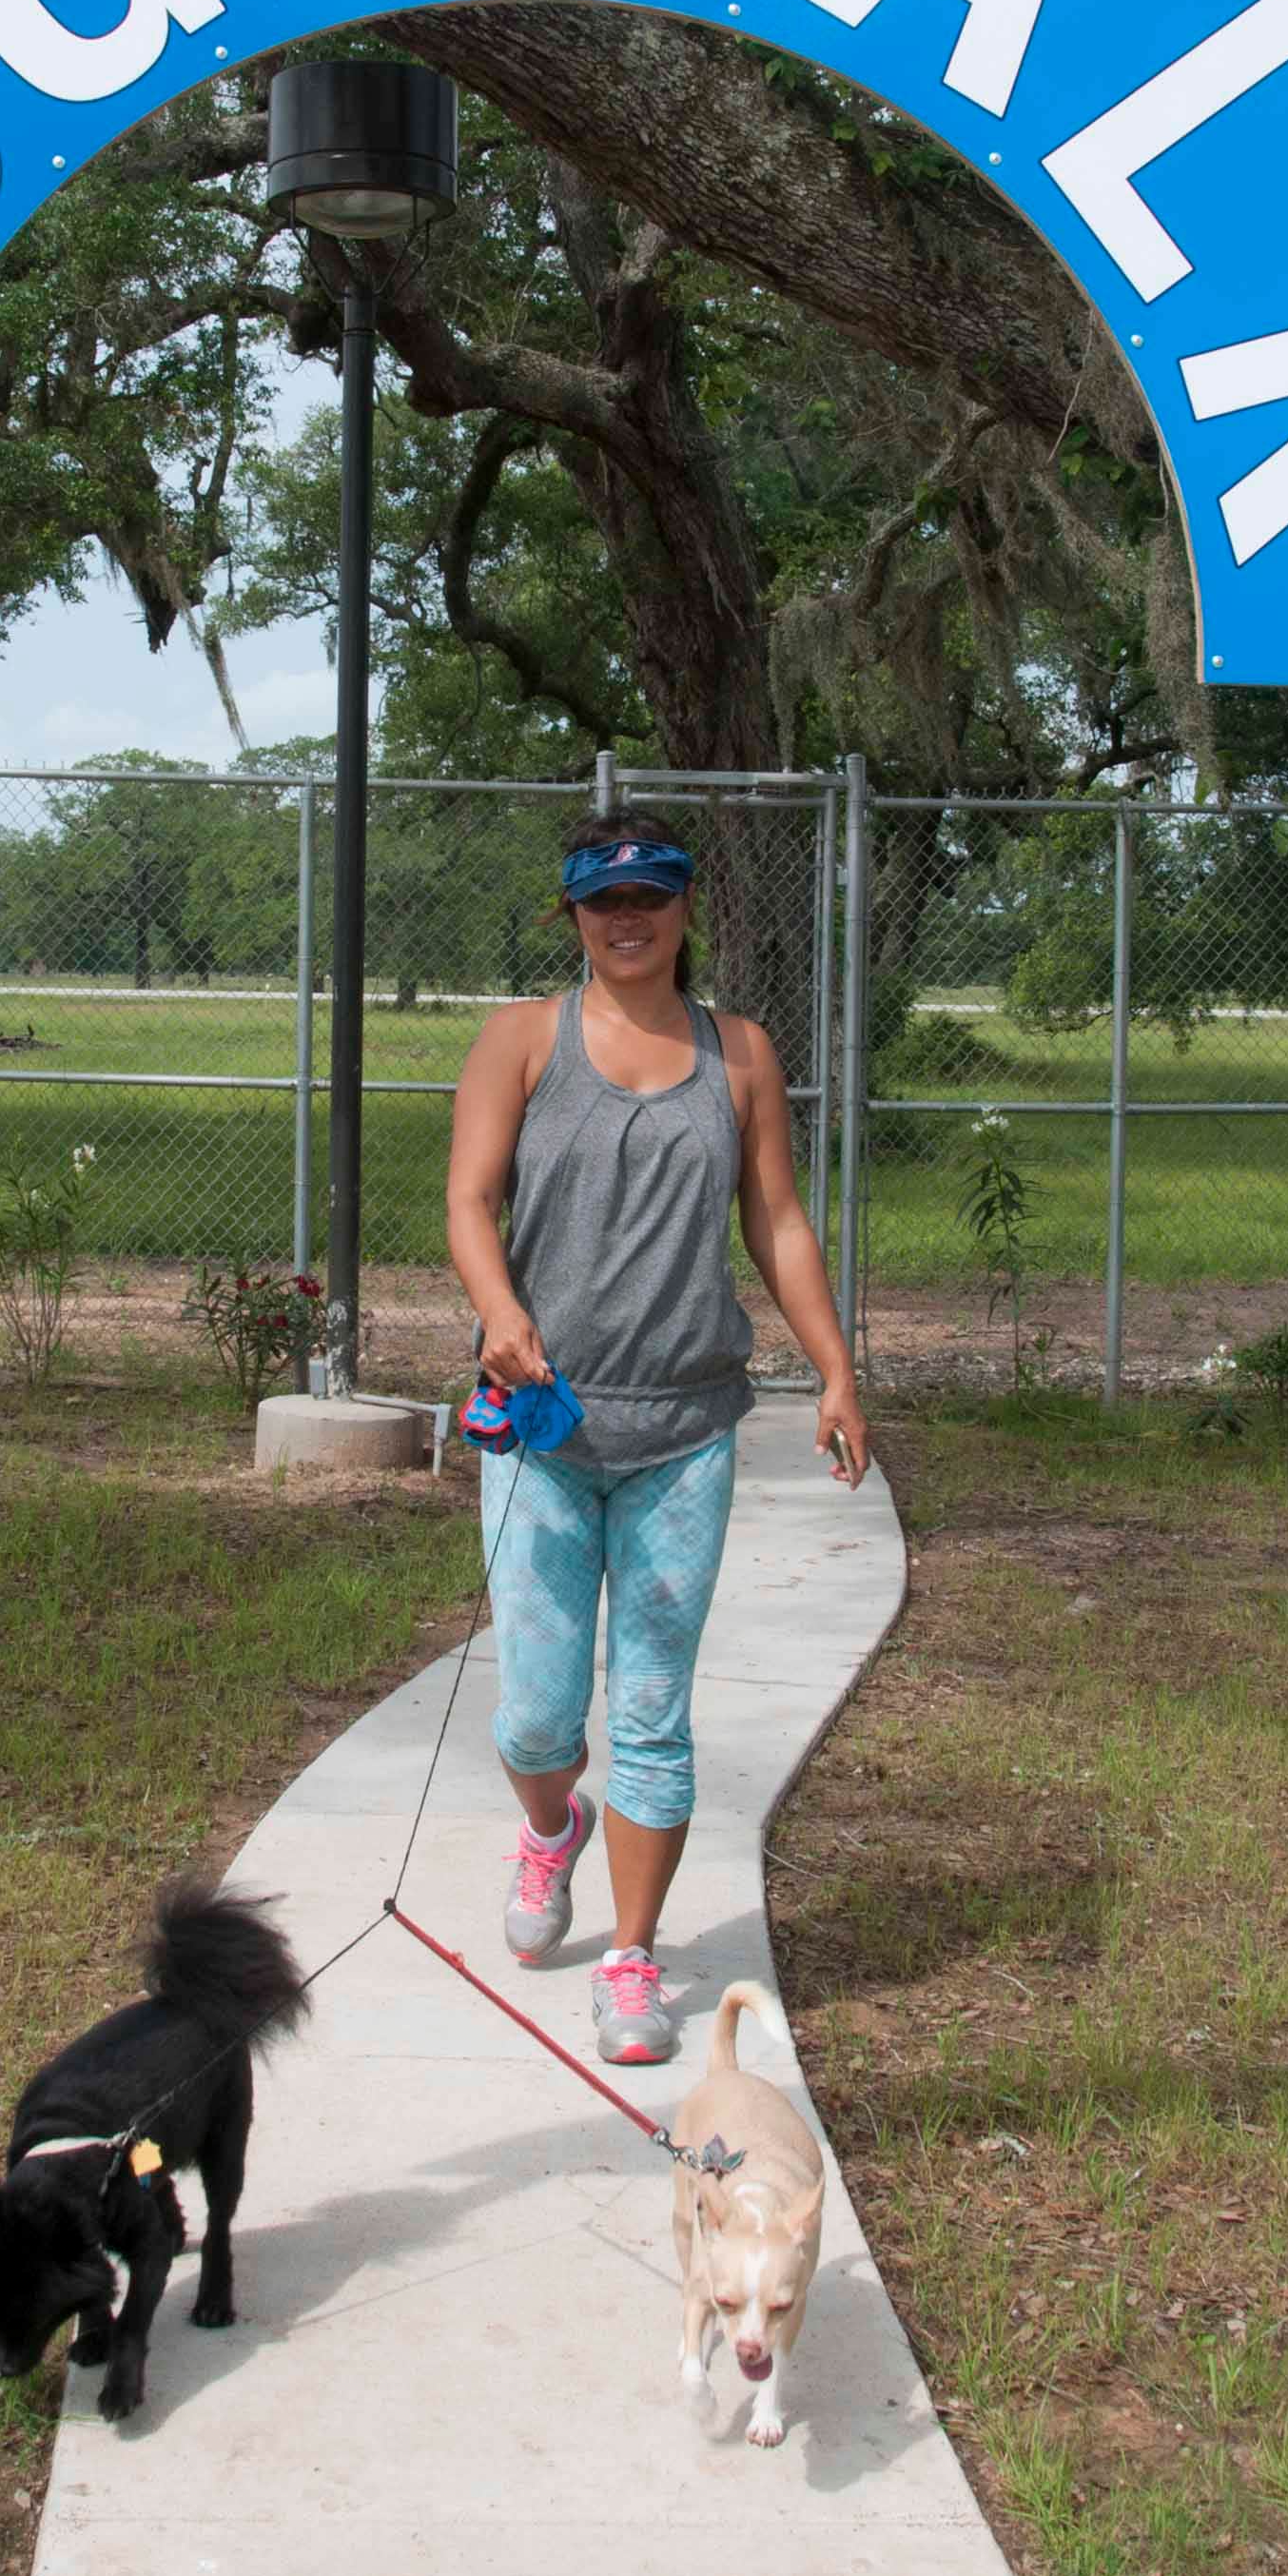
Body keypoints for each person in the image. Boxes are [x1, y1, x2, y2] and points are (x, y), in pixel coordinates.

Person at [445, 813, 870, 2067]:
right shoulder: (522, 1040)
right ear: (572, 916)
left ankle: (632, 1956)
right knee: (537, 1719)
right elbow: (469, 1199)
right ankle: (549, 1829)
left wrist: (837, 1372)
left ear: (686, 911)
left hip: (685, 1432)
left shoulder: (739, 1054)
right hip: (543, 1428)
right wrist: (501, 1313)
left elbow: (776, 1221)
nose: (625, 920)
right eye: (602, 902)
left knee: (649, 1712)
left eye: (649, 897)